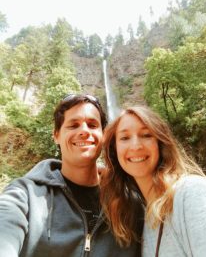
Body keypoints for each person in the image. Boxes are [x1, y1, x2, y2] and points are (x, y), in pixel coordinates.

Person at [0, 94, 143, 257]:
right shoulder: (26, 196)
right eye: (73, 125)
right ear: (56, 135)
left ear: (103, 136)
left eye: (92, 124)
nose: (84, 131)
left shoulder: (131, 203)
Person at [101, 105, 206, 257]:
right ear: (115, 150)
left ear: (160, 143)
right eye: (125, 138)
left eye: (146, 135)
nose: (136, 146)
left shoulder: (191, 193)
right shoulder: (142, 216)